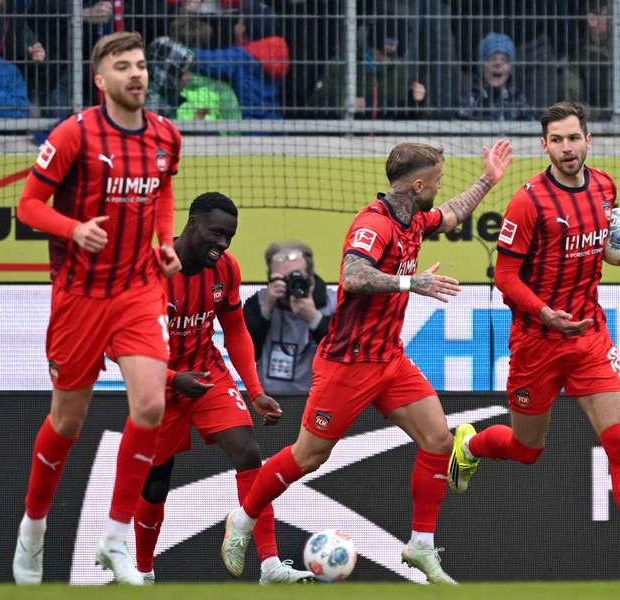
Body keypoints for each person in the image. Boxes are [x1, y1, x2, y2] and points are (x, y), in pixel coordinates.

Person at [220, 139, 514, 584]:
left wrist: (488, 181)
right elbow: (354, 277)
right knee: (309, 456)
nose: (439, 188)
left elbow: (451, 213)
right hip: (347, 364)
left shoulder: (413, 216)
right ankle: (241, 520)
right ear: (417, 184)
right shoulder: (373, 223)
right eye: (436, 181)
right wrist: (410, 282)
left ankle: (420, 545)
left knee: (437, 440)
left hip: (389, 359)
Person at [448, 101, 620, 583]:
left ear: (588, 140)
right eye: (556, 140)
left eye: (573, 138)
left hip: (589, 336)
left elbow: (597, 247)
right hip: (538, 342)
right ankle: (471, 445)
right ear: (544, 146)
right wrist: (543, 313)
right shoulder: (529, 201)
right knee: (526, 447)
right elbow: (505, 274)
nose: (566, 148)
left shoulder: (605, 187)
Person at [12, 31, 183, 586]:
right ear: (100, 79)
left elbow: (161, 193)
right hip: (80, 297)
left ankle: (114, 539)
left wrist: (163, 243)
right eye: (123, 67)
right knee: (68, 421)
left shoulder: (165, 136)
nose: (136, 74)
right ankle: (33, 532)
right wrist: (73, 227)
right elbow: (28, 206)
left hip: (138, 291)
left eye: (140, 65)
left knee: (151, 406)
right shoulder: (74, 134)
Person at [129, 193, 314, 585]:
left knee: (249, 453)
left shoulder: (226, 269)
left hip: (207, 375)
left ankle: (269, 567)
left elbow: (234, 329)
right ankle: (143, 572)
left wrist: (255, 389)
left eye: (230, 236)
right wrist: (170, 379)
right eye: (217, 233)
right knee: (156, 483)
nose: (224, 244)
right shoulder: (153, 270)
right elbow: (123, 346)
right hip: (158, 385)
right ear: (191, 224)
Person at [243, 242, 335, 396]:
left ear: (310, 276)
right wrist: (264, 312)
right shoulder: (259, 301)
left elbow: (349, 354)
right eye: (282, 279)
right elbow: (242, 352)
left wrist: (315, 320)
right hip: (271, 400)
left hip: (321, 399)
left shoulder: (334, 303)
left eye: (296, 277)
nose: (290, 284)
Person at [461, 32, 532, 122]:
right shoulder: (471, 98)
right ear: (482, 66)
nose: (498, 64)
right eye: (492, 59)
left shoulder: (518, 100)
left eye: (504, 60)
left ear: (511, 68)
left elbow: (529, 129)